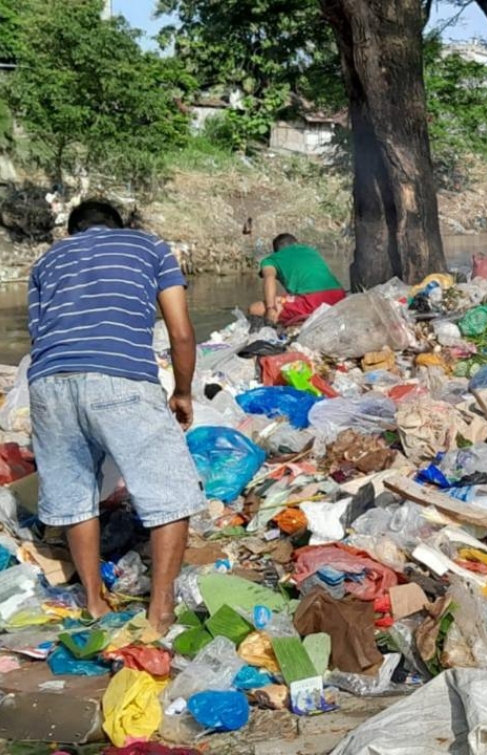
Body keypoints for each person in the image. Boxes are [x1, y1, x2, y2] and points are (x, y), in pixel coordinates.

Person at [27, 200, 207, 634]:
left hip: (48, 383)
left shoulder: (46, 260)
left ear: (73, 230)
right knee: (170, 493)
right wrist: (182, 392)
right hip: (119, 377)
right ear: (118, 226)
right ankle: (160, 613)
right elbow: (180, 332)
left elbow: (41, 334)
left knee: (73, 497)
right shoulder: (150, 247)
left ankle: (93, 603)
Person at [249, 233, 345, 325]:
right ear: (296, 244)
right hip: (339, 297)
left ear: (276, 251)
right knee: (283, 299)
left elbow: (269, 278)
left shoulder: (271, 260)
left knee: (255, 309)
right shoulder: (310, 251)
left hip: (312, 300)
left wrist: (271, 309)